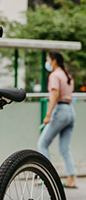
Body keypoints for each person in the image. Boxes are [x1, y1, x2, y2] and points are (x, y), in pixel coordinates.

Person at [37, 51, 77, 188]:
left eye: (48, 60)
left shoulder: (54, 75)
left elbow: (54, 95)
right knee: (65, 148)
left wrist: (48, 114)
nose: (47, 63)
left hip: (60, 110)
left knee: (42, 144)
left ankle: (48, 177)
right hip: (70, 110)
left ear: (53, 61)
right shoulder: (67, 75)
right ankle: (71, 178)